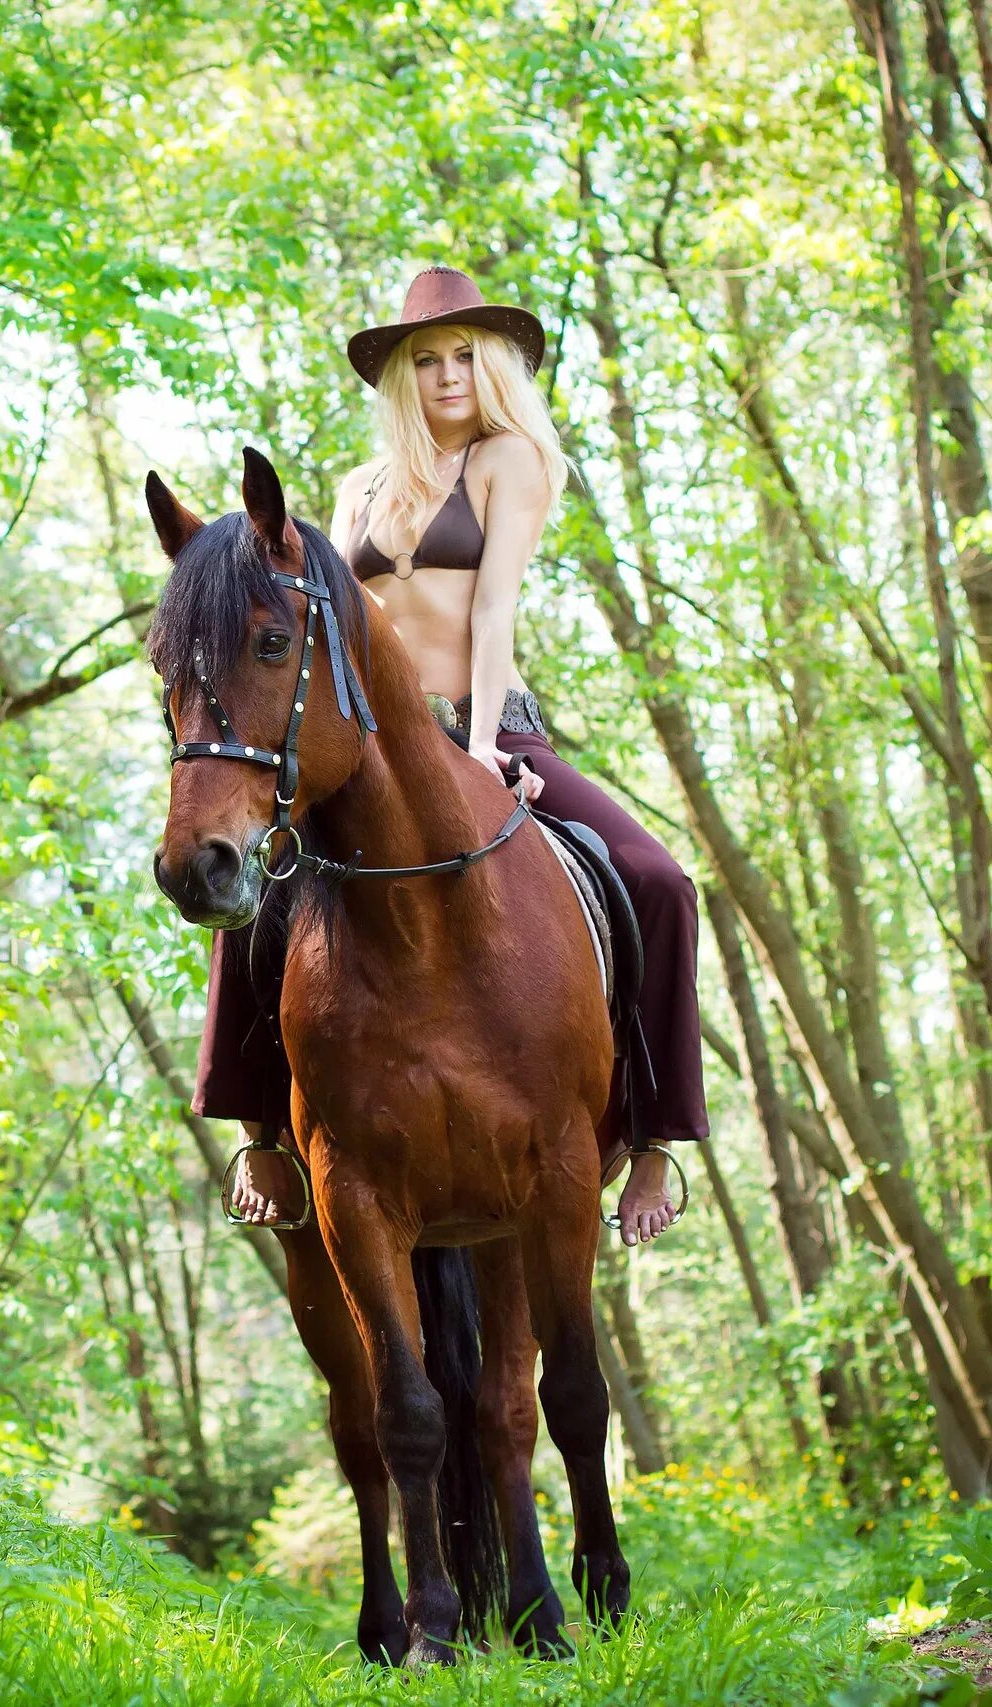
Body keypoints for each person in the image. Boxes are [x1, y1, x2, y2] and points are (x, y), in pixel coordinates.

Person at [205, 265, 708, 1246]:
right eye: (425, 358)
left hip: (492, 722)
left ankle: (654, 1142)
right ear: (399, 375)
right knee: (259, 883)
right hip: (375, 743)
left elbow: (492, 608)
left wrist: (478, 752)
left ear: (491, 367)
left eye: (463, 356)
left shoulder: (506, 461)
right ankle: (261, 1130)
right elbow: (344, 631)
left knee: (658, 878)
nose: (445, 375)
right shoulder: (355, 495)